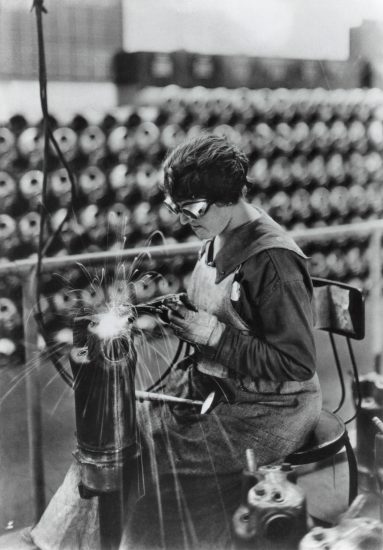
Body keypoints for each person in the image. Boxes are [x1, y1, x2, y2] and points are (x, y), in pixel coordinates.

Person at [30, 134, 321, 550]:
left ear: (230, 197)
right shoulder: (215, 236)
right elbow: (229, 312)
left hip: (268, 413)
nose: (184, 219)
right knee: (116, 432)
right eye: (176, 209)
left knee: (142, 457)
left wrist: (209, 334)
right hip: (219, 391)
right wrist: (177, 309)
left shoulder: (273, 262)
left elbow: (296, 364)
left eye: (193, 209)